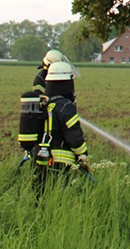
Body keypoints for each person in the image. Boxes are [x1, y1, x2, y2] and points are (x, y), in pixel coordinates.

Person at [33, 61, 89, 191]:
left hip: (40, 160)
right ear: (67, 82)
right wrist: (84, 156)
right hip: (61, 165)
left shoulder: (44, 104)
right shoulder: (65, 106)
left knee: (41, 196)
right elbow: (75, 137)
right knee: (60, 198)